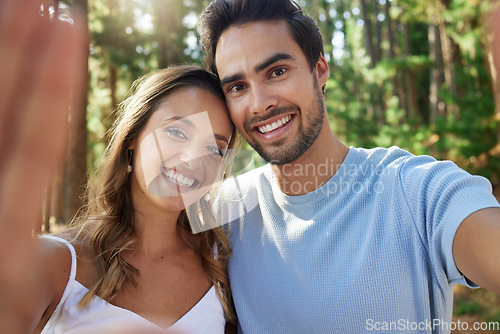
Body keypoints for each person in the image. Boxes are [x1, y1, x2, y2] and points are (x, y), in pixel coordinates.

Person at [198, 0, 500, 333]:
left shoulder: (415, 191)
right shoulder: (222, 211)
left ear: (320, 68)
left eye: (277, 72)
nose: (259, 104)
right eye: (237, 87)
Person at [0, 1, 239, 333]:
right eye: (176, 131)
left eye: (215, 147)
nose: (192, 159)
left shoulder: (221, 264)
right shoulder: (58, 261)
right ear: (132, 138)